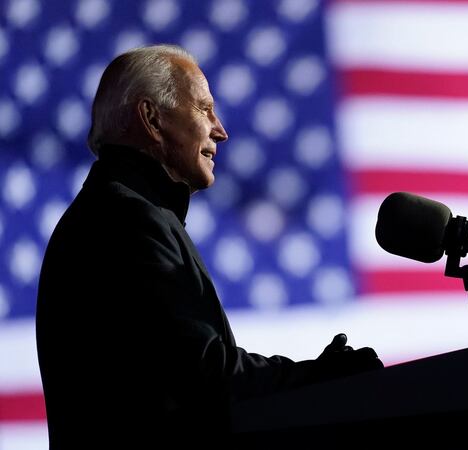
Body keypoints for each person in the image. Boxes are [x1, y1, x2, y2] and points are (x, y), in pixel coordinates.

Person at [36, 44, 382, 448]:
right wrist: (320, 378)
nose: (220, 130)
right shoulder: (125, 219)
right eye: (203, 109)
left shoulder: (120, 211)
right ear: (151, 118)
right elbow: (205, 375)